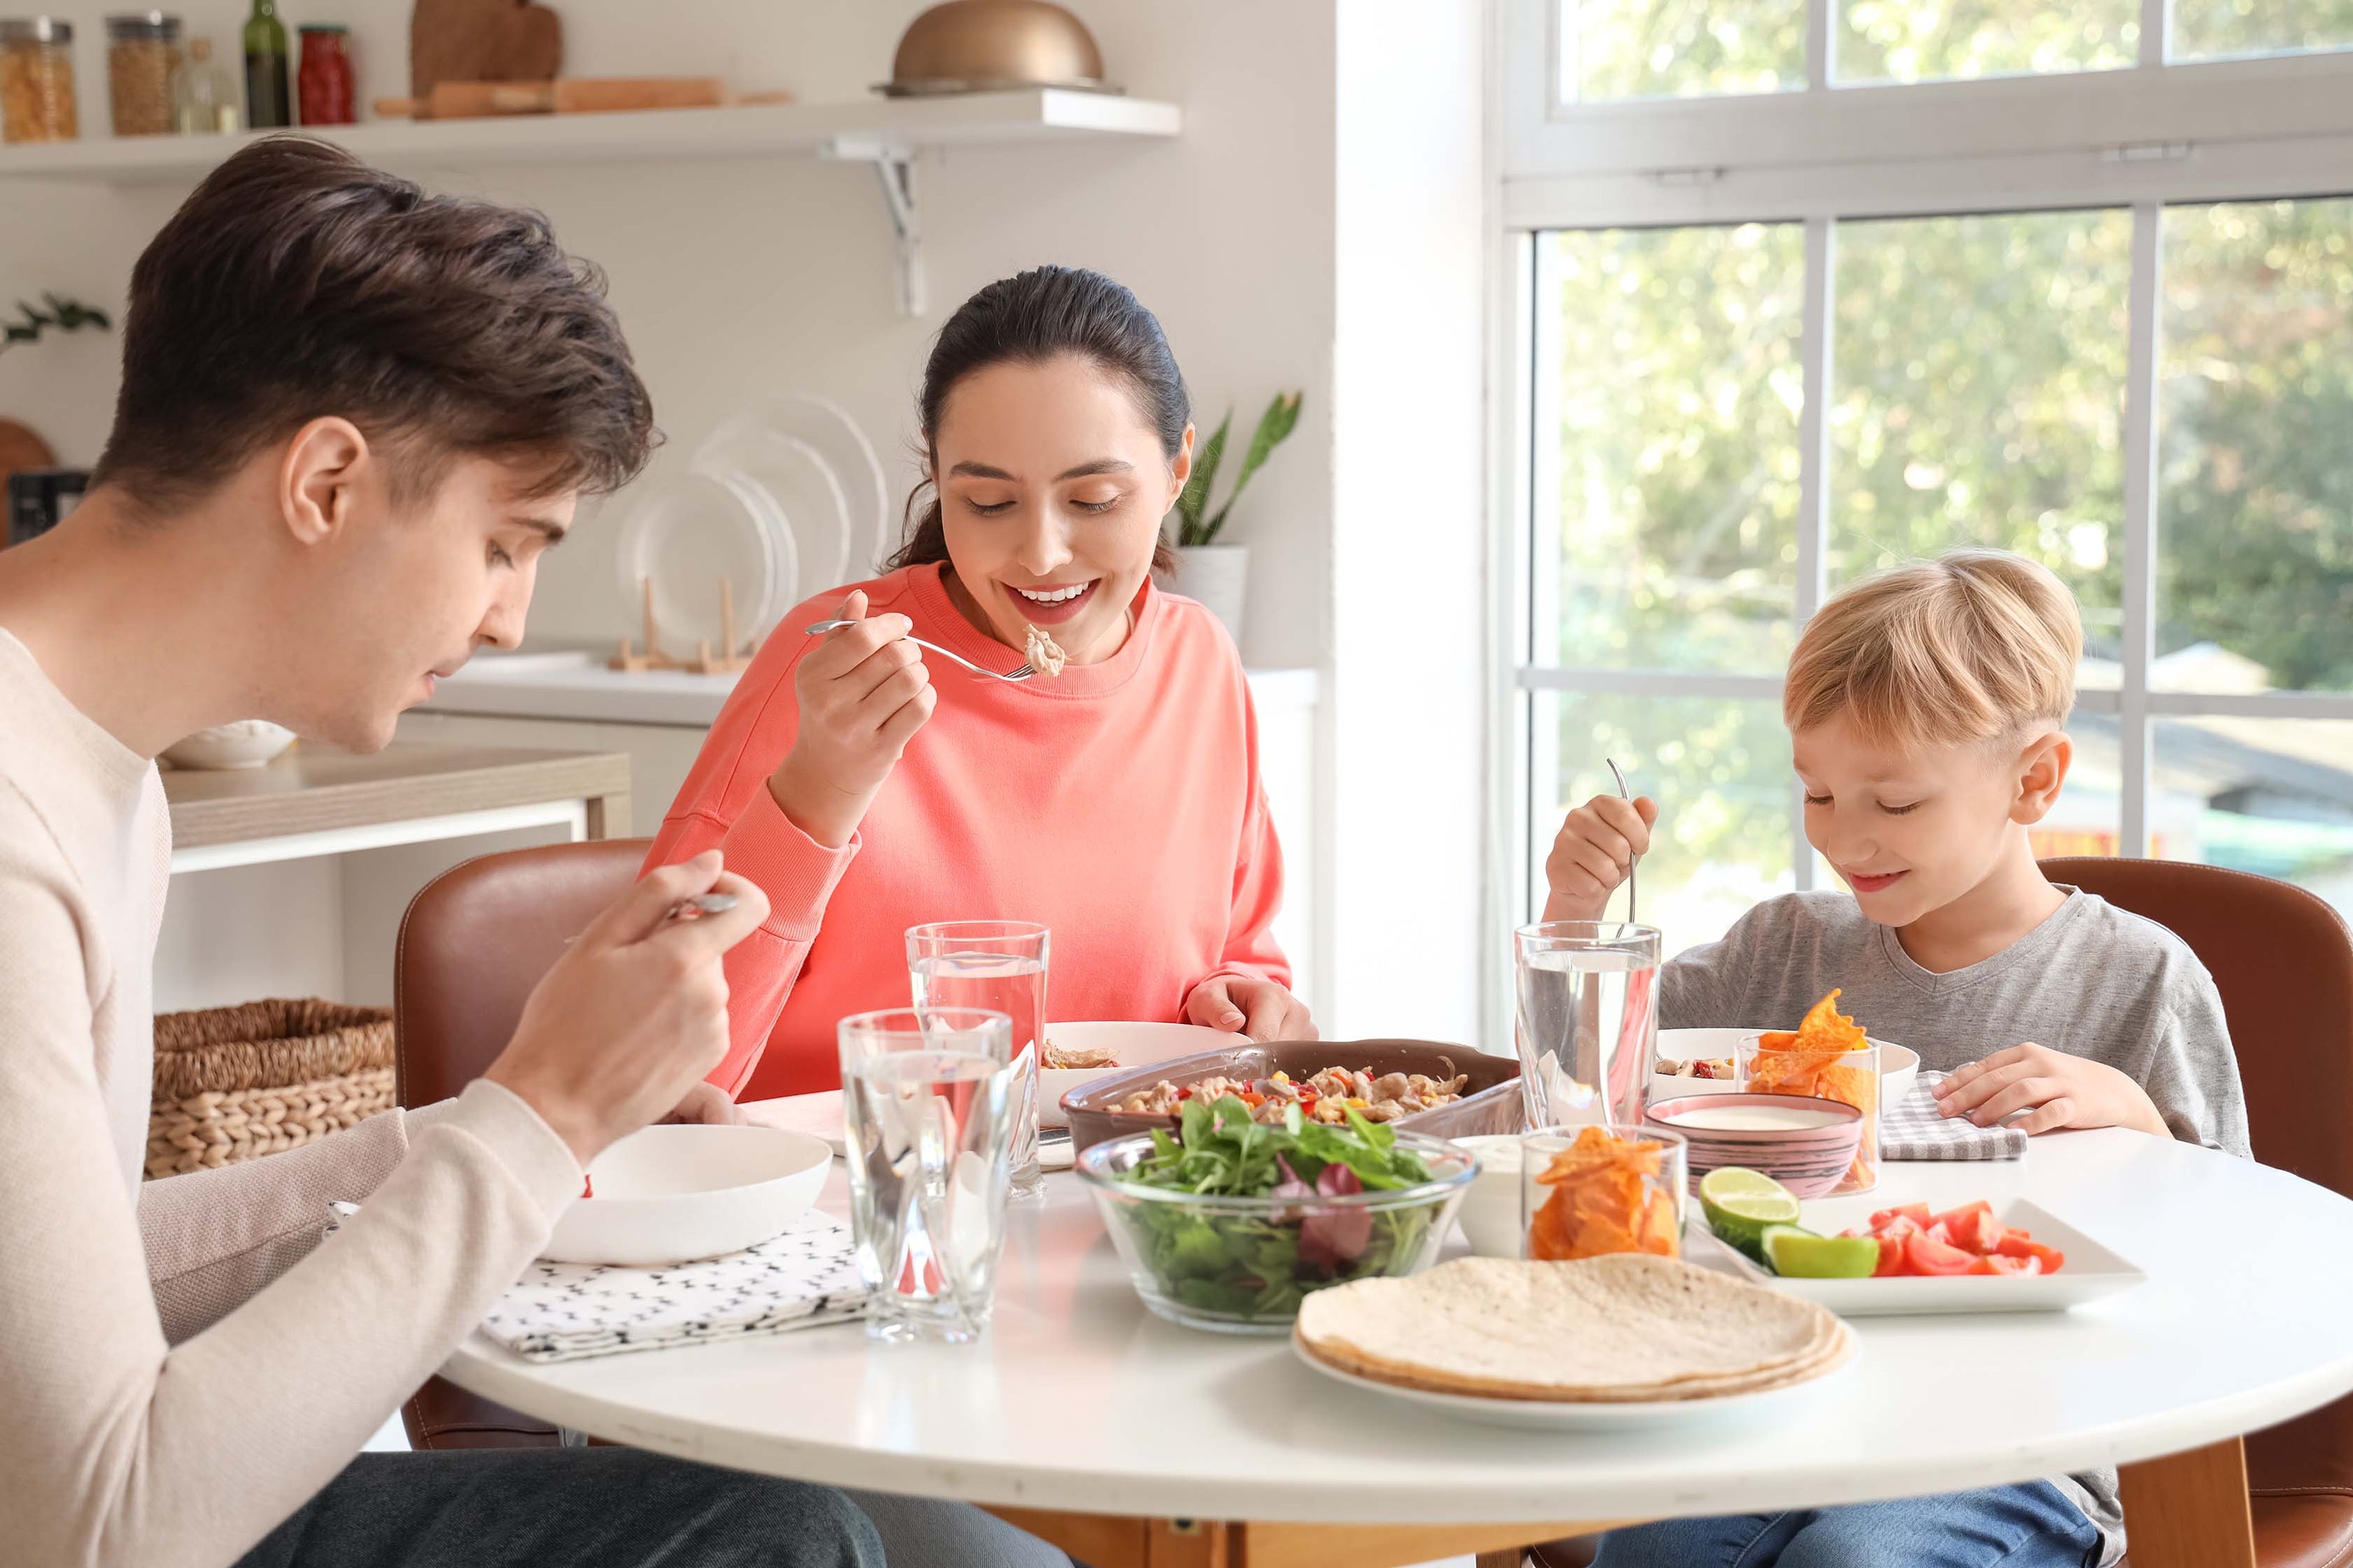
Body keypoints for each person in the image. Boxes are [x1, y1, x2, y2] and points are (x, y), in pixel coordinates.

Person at [0, 137, 885, 1568]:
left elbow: (68, 1305)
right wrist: (530, 1116)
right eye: (504, 541)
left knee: (783, 1531)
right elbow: (102, 1526)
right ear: (328, 481)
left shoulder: (97, 760)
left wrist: (495, 1131)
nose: (510, 621)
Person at [1543, 550, 2249, 1568]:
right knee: (1654, 1550)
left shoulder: (2137, 980)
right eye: (1819, 793)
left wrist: (2140, 1120)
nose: (1849, 836)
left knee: (1856, 1563)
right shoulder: (1783, 949)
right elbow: (1582, 1107)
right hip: (1779, 1408)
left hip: (2019, 1449)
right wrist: (1575, 915)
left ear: (2035, 779)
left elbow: (2235, 1267)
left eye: (1898, 803)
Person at [648, 265, 1315, 1103]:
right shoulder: (836, 668)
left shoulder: (1200, 665)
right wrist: (818, 789)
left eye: (1096, 499)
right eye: (990, 504)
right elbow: (652, 1055)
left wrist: (1241, 1001)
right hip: (851, 1200)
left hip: (1119, 1199)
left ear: (1178, 467)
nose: (1040, 554)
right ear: (937, 476)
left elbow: (1241, 955)